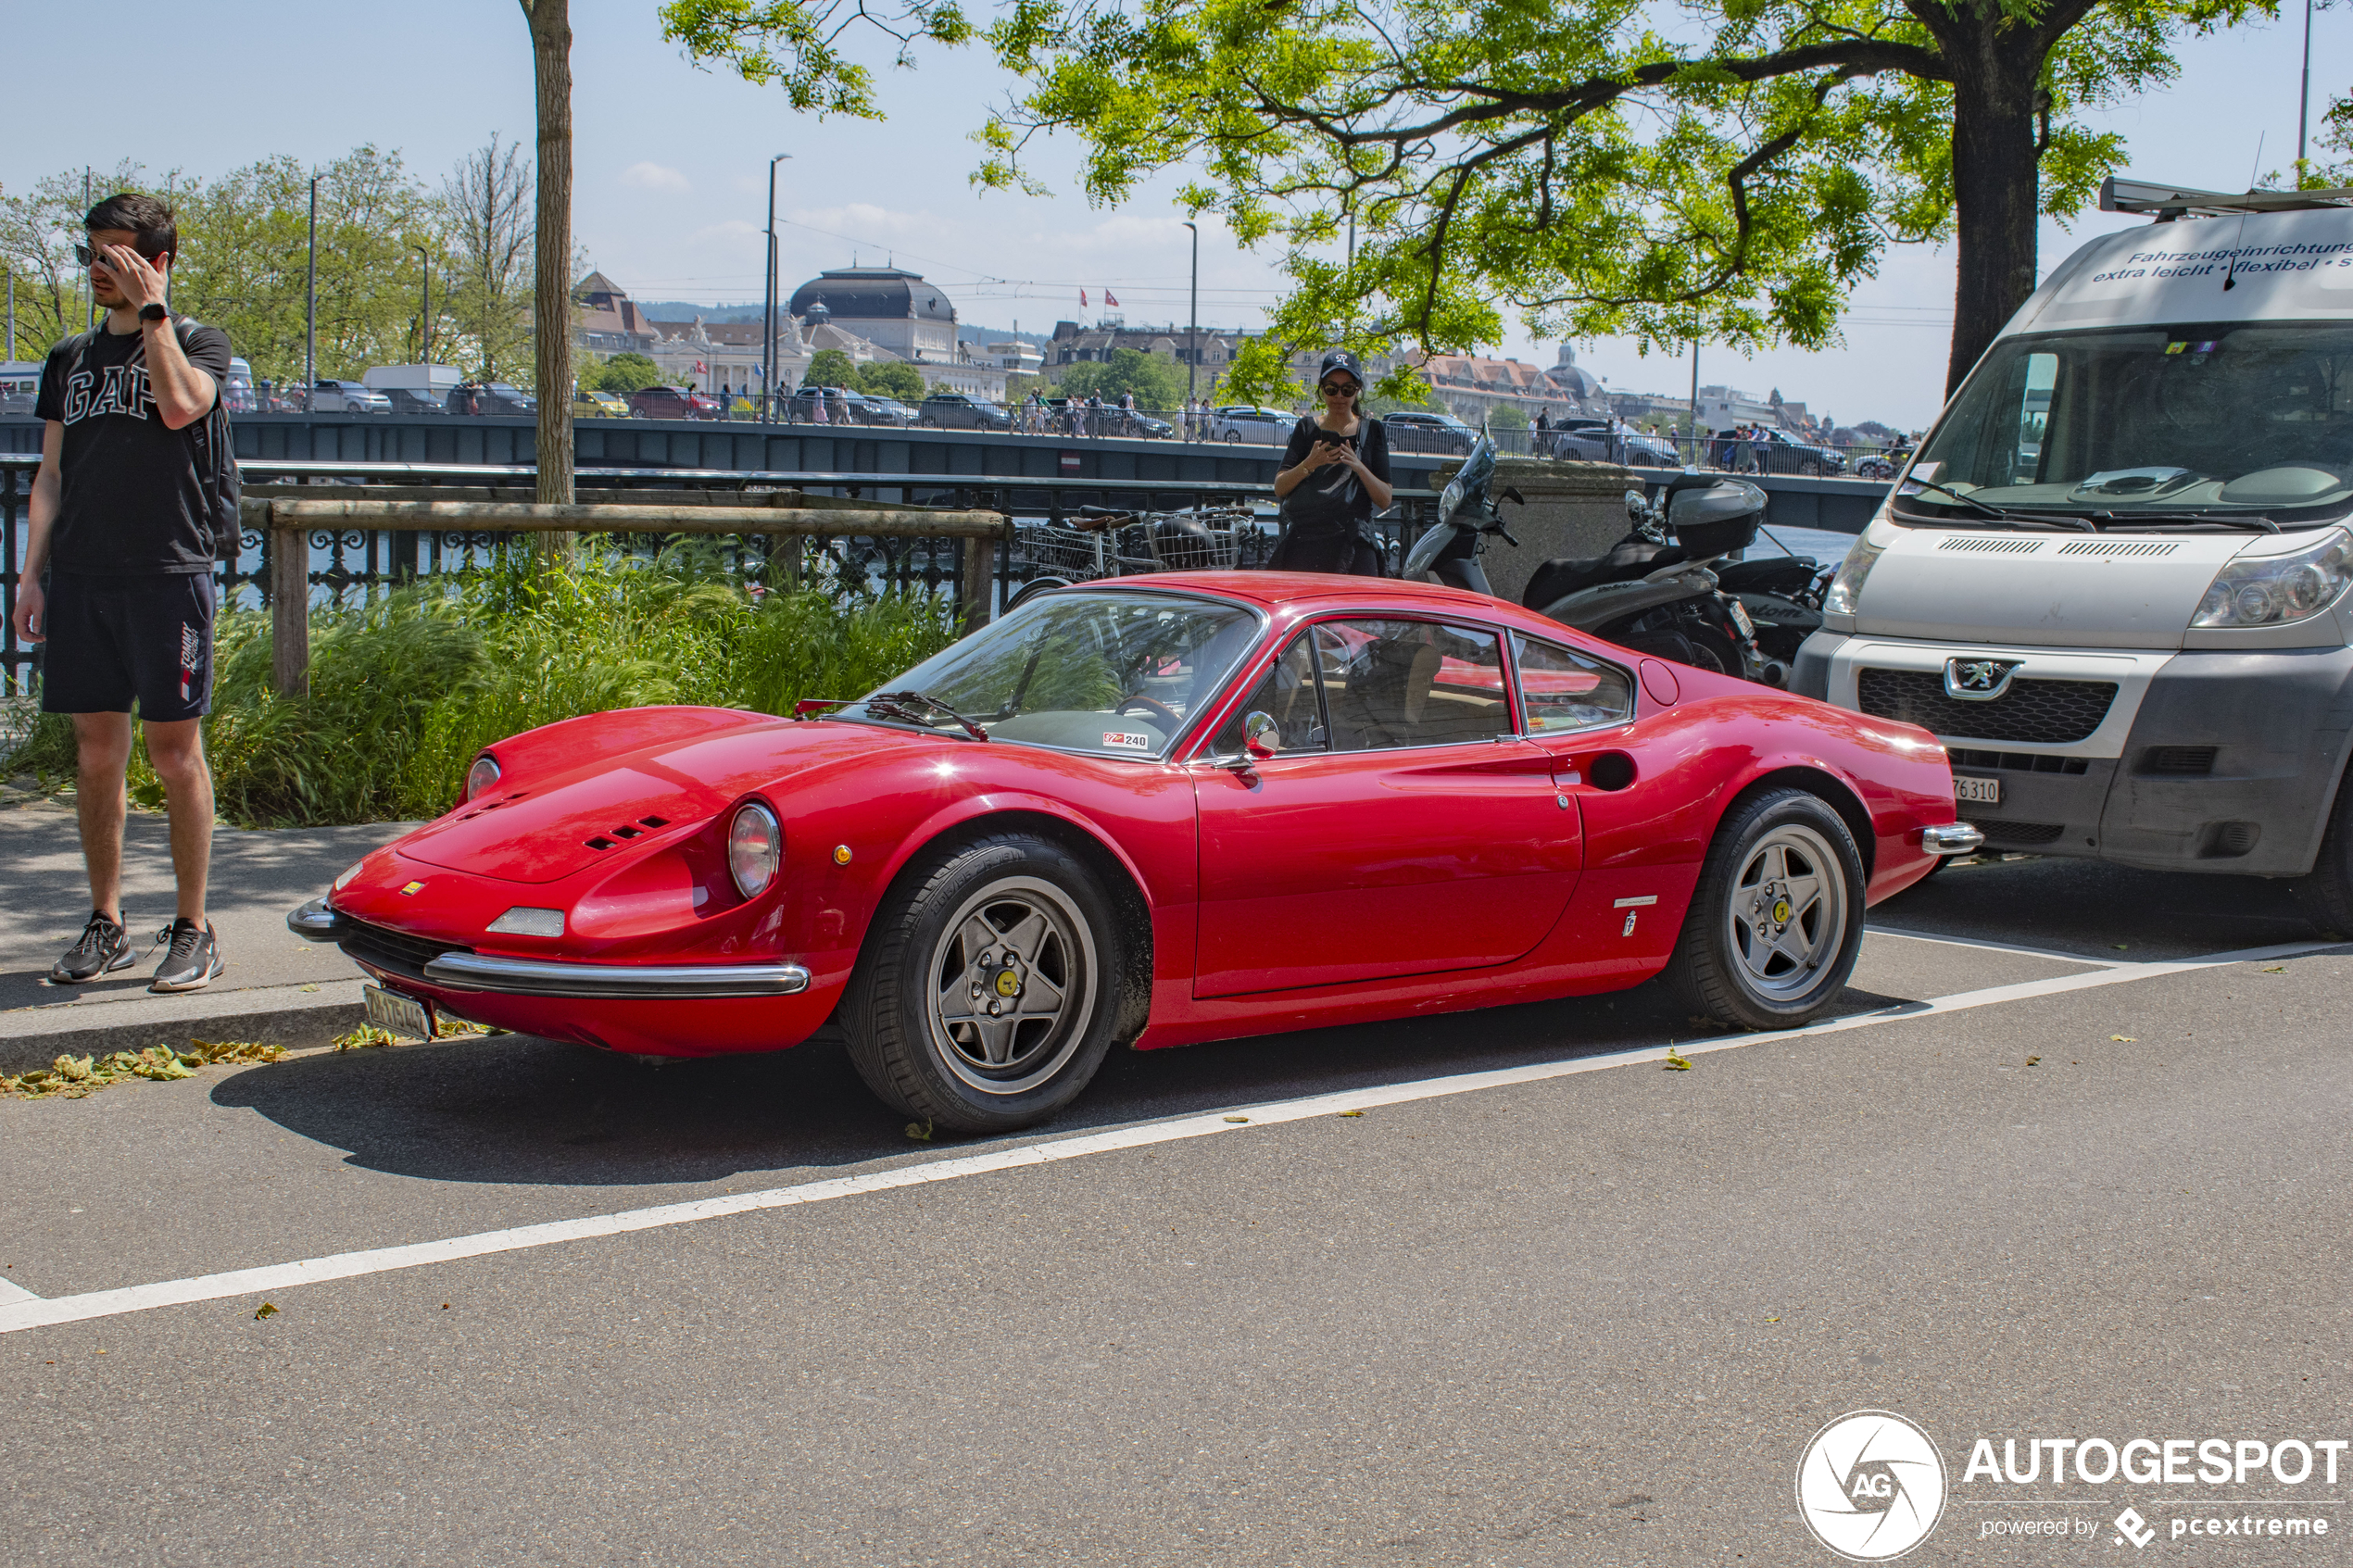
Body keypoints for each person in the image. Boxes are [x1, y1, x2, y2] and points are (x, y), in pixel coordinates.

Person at [14, 192, 234, 992]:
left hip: (168, 575)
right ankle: (106, 922)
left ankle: (194, 927)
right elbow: (51, 475)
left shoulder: (195, 342)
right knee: (97, 752)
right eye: (93, 253)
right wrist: (31, 574)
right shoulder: (69, 359)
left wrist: (153, 316)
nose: (100, 268)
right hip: (82, 579)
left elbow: (182, 408)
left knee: (175, 757)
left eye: (119, 254)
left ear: (159, 261)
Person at [1268, 349, 1393, 576]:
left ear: (1358, 391)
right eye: (1331, 389)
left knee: (1359, 610)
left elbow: (1385, 499)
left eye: (1347, 390)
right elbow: (1280, 487)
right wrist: (1310, 463)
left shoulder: (1372, 430)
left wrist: (1358, 465)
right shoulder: (1306, 428)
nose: (1339, 397)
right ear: (1321, 389)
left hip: (1356, 543)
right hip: (1308, 542)